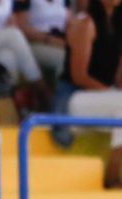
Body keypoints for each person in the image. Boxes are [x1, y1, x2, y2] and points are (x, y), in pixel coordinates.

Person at [57, 0, 122, 185]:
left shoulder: (117, 26)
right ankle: (112, 175)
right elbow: (79, 76)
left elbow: (117, 78)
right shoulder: (86, 24)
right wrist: (110, 91)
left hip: (105, 99)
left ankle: (113, 172)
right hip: (75, 98)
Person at [16, 0, 71, 80]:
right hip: (36, 41)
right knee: (63, 59)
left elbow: (69, 23)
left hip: (61, 41)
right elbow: (22, 27)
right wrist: (49, 39)